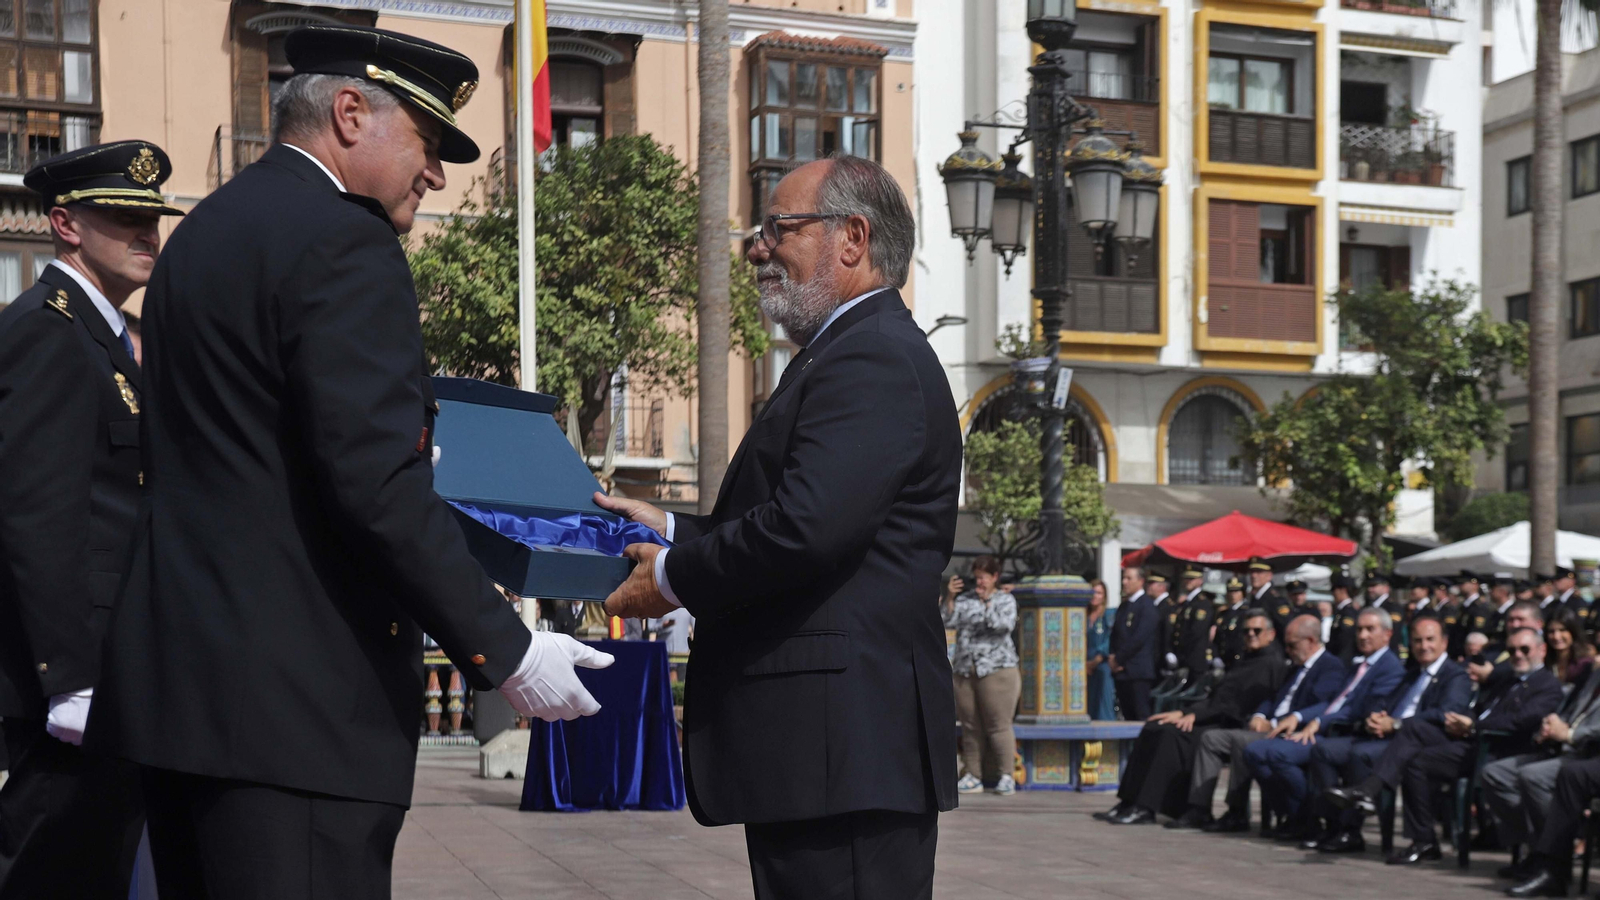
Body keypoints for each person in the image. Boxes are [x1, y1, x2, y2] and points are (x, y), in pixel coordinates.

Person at [86, 28, 614, 898]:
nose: (436, 174)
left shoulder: (210, 231)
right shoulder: (344, 242)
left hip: (186, 707)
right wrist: (509, 651)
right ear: (349, 113)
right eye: (428, 142)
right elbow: (374, 487)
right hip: (298, 717)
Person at [597, 152, 960, 900]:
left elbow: (806, 530)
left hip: (847, 752)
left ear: (852, 237)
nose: (757, 249)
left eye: (778, 228)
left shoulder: (873, 359)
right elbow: (811, 525)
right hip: (823, 754)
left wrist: (669, 578)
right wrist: (675, 530)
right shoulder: (842, 353)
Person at [0, 141, 184, 898]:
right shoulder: (49, 332)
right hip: (77, 681)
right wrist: (68, 679)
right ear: (65, 224)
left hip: (113, 669)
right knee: (54, 872)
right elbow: (38, 516)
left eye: (152, 220)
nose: (148, 235)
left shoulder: (104, 337)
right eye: (124, 217)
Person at [1323, 625, 1561, 864]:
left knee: (1412, 729)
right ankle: (1424, 841)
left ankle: (1368, 789)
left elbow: (1522, 720)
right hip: (1471, 742)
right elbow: (1476, 709)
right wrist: (1462, 723)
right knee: (1415, 760)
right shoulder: (1507, 680)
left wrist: (1473, 726)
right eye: (1512, 650)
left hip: (1499, 751)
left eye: (1524, 649)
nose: (1518, 655)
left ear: (1541, 650)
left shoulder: (1546, 684)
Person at [1098, 611, 1288, 827]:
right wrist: (1184, 712)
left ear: (1271, 634)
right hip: (1214, 714)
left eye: (1257, 631)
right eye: (1247, 631)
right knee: (1154, 726)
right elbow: (1217, 697)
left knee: (1172, 735)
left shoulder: (1272, 664)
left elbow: (1239, 705)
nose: (1251, 635)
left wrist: (1195, 716)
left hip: (1231, 722)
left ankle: (1147, 806)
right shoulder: (1245, 660)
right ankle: (1129, 800)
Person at [1302, 616, 1472, 853]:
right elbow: (1388, 702)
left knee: (1362, 754)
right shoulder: (1412, 674)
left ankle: (1353, 824)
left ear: (1444, 642)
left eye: (1430, 640)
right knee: (1324, 750)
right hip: (1388, 737)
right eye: (1418, 641)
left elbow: (1446, 714)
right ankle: (1334, 824)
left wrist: (1397, 724)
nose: (1424, 646)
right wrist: (1377, 718)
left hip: (1425, 741)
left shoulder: (1455, 675)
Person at [1243, 608, 1406, 839]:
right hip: (1325, 728)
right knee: (1254, 751)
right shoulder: (1358, 665)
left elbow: (1360, 709)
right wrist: (1309, 719)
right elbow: (1334, 702)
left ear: (1388, 634)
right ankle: (1296, 816)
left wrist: (1318, 723)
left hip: (1344, 733)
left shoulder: (1389, 669)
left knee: (1281, 754)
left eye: (1370, 629)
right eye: (1359, 629)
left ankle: (1313, 819)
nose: (1363, 635)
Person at [1179, 614, 1345, 832]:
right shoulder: (1295, 667)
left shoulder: (1330, 667)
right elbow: (1273, 697)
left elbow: (1323, 703)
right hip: (1270, 726)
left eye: (1292, 645)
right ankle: (1199, 807)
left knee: (1242, 742)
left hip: (1293, 731)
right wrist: (1260, 715)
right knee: (1211, 738)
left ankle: (1237, 811)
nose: (1287, 650)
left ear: (1311, 641)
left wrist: (1277, 722)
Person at [942, 556, 1021, 796]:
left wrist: (987, 604)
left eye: (983, 577)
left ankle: (1006, 775)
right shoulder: (966, 599)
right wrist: (951, 597)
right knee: (970, 726)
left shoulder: (1005, 599)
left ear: (995, 577)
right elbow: (946, 620)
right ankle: (972, 775)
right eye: (976, 577)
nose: (979, 582)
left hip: (997, 670)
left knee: (998, 725)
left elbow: (1003, 626)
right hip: (966, 669)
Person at [1110, 567, 1159, 720]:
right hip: (1122, 672)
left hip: (1138, 672)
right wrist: (1112, 658)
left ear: (1140, 581)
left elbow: (1138, 638)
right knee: (1127, 714)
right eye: (1124, 578)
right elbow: (1116, 635)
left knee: (1140, 715)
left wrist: (1119, 659)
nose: (1124, 582)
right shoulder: (1124, 606)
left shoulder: (1146, 606)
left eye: (1129, 578)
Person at [1544, 608, 1595, 688]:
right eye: (1551, 631)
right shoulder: (1544, 662)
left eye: (1562, 630)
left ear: (1573, 632)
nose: (1556, 637)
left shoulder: (1585, 665)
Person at [1087, 579, 1115, 721]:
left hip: (1101, 664)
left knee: (1103, 704)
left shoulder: (1109, 615)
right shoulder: (1082, 615)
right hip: (1083, 666)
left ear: (1104, 596)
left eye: (1098, 593)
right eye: (1092, 592)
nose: (1094, 596)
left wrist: (1098, 659)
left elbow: (1110, 639)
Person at [1213, 577, 1250, 670]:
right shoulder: (1222, 614)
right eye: (1230, 591)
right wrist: (1215, 655)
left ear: (1243, 593)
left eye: (1237, 591)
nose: (1233, 595)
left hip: (1239, 659)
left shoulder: (1246, 612)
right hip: (1223, 658)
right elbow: (1217, 637)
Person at [1328, 574, 1361, 663]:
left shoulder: (1348, 612)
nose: (1333, 594)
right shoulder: (1341, 611)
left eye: (1335, 590)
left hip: (1343, 661)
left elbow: (1345, 641)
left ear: (1343, 590)